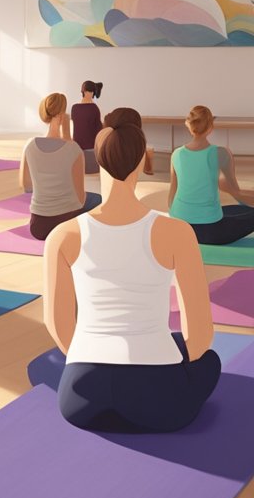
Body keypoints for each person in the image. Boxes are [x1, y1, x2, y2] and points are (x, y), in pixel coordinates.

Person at [45, 108, 219, 432]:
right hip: (157, 401)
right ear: (142, 160)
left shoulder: (62, 236)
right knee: (210, 363)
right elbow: (201, 336)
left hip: (79, 400)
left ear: (98, 158)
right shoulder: (177, 232)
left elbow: (58, 328)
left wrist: (94, 354)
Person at [168, 105, 254, 245]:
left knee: (237, 210)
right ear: (211, 127)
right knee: (245, 211)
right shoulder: (221, 153)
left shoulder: (176, 154)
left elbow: (171, 197)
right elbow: (237, 193)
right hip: (209, 231)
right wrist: (228, 189)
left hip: (179, 225)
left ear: (188, 125)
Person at [21, 93, 101, 241]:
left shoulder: (30, 145)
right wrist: (67, 134)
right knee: (98, 199)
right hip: (64, 224)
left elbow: (26, 186)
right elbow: (80, 199)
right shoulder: (73, 149)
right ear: (63, 114)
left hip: (38, 226)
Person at [71, 81, 104, 175]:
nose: (90, 94)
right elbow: (98, 130)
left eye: (92, 92)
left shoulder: (75, 108)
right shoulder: (94, 108)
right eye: (89, 92)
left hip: (80, 150)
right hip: (84, 150)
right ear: (84, 92)